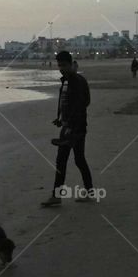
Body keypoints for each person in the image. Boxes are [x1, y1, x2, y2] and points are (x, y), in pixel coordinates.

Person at [42, 51, 94, 207]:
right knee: (73, 160)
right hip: (69, 127)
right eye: (59, 65)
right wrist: (61, 119)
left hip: (75, 129)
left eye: (64, 65)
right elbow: (66, 103)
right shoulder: (66, 81)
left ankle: (58, 196)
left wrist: (71, 126)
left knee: (68, 161)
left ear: (71, 64)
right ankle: (83, 192)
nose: (61, 68)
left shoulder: (76, 81)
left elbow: (82, 105)